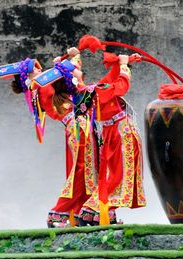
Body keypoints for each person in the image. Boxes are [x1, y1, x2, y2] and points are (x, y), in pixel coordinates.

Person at [78, 50, 146, 225]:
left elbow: (110, 78)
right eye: (75, 69)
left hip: (111, 131)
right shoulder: (94, 92)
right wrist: (124, 66)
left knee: (111, 172)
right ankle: (94, 208)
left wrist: (126, 62)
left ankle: (102, 213)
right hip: (118, 131)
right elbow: (121, 86)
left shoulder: (88, 91)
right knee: (118, 174)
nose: (79, 68)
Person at [34, 48, 99, 228]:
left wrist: (71, 57)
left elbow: (74, 70)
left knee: (88, 172)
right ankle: (59, 212)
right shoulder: (66, 95)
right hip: (79, 133)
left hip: (82, 131)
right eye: (74, 69)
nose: (79, 69)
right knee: (81, 172)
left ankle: (84, 212)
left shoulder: (72, 92)